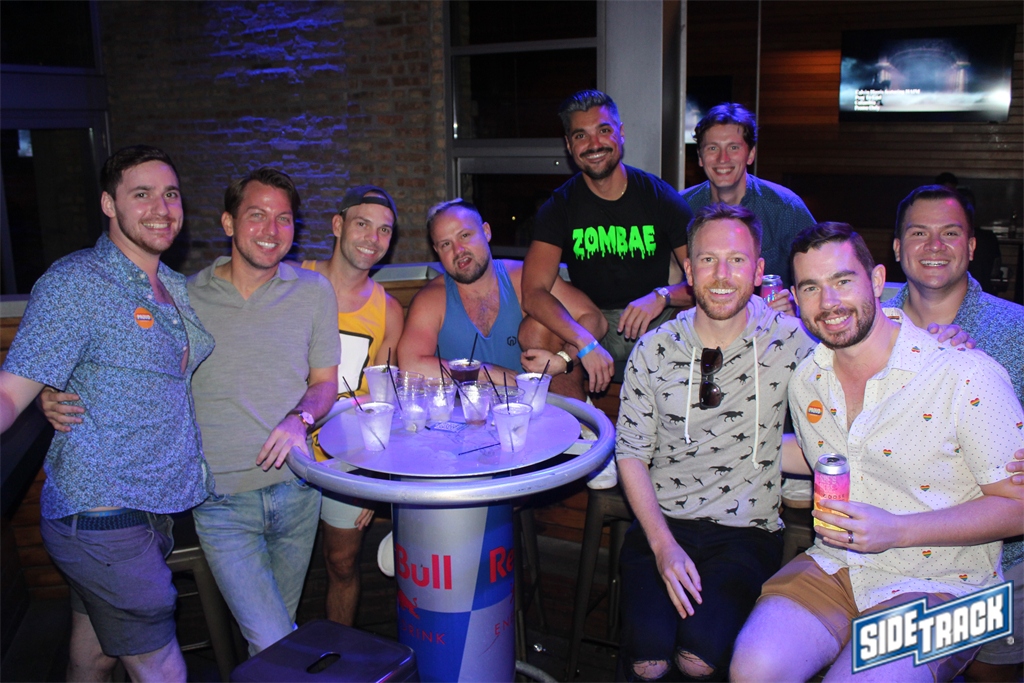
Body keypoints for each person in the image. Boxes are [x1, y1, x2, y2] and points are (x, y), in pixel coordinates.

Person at [731, 222, 1024, 682]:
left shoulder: (963, 374)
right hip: (839, 564)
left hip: (951, 587)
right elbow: (825, 457)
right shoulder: (807, 379)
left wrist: (898, 530)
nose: (829, 302)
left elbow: (1019, 506)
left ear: (877, 280)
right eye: (811, 287)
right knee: (754, 669)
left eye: (843, 281)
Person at [0, 145, 214, 682]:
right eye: (141, 194)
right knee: (162, 670)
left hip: (152, 503)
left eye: (170, 194)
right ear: (108, 204)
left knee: (94, 656)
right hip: (102, 511)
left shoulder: (172, 285)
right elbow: (10, 393)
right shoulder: (77, 283)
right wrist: (40, 394)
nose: (161, 208)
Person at [615, 203, 817, 681]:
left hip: (747, 531)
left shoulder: (792, 341)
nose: (722, 275)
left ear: (759, 271)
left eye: (737, 260)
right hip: (662, 522)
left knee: (698, 657)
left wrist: (925, 333)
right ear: (689, 270)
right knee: (648, 662)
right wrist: (662, 546)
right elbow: (630, 453)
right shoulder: (654, 347)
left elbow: (857, 354)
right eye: (708, 260)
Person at [186, 168, 339, 653]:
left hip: (299, 489)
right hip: (222, 498)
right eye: (257, 216)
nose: (272, 230)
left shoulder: (314, 291)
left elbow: (325, 384)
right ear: (229, 223)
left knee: (273, 644)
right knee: (274, 639)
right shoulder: (184, 298)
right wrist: (56, 391)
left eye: (284, 219)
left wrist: (300, 419)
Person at [885, 185, 1024, 681]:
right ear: (897, 247)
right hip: (890, 556)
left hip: (1003, 561)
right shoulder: (870, 323)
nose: (934, 246)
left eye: (950, 233)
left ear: (971, 246)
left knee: (990, 675)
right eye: (918, 233)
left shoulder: (1016, 329)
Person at [522, 90, 695, 396]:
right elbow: (533, 293)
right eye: (581, 135)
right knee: (534, 328)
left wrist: (662, 296)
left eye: (603, 130)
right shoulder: (560, 206)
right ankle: (576, 421)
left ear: (621, 133)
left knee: (697, 318)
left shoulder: (658, 197)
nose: (594, 144)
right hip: (594, 322)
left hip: (655, 320)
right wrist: (584, 342)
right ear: (569, 145)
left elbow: (703, 281)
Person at [301, 185, 404, 626]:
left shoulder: (389, 310)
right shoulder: (293, 280)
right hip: (282, 447)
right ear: (338, 225)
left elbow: (385, 399)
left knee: (342, 563)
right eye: (362, 224)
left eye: (384, 230)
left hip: (345, 456)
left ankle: (337, 653)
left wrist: (371, 472)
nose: (372, 238)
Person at [398, 198, 605, 390]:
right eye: (446, 244)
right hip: (466, 412)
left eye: (465, 235)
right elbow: (410, 366)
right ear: (437, 251)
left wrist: (564, 359)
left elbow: (594, 318)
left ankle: (579, 415)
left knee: (540, 325)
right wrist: (486, 372)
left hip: (531, 406)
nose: (458, 250)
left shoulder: (523, 277)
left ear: (486, 232)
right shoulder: (431, 299)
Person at [682, 103, 815, 289]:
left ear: (751, 154)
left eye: (733, 147)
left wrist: (793, 302)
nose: (722, 159)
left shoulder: (785, 208)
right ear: (700, 157)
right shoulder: (681, 207)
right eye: (712, 148)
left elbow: (820, 269)